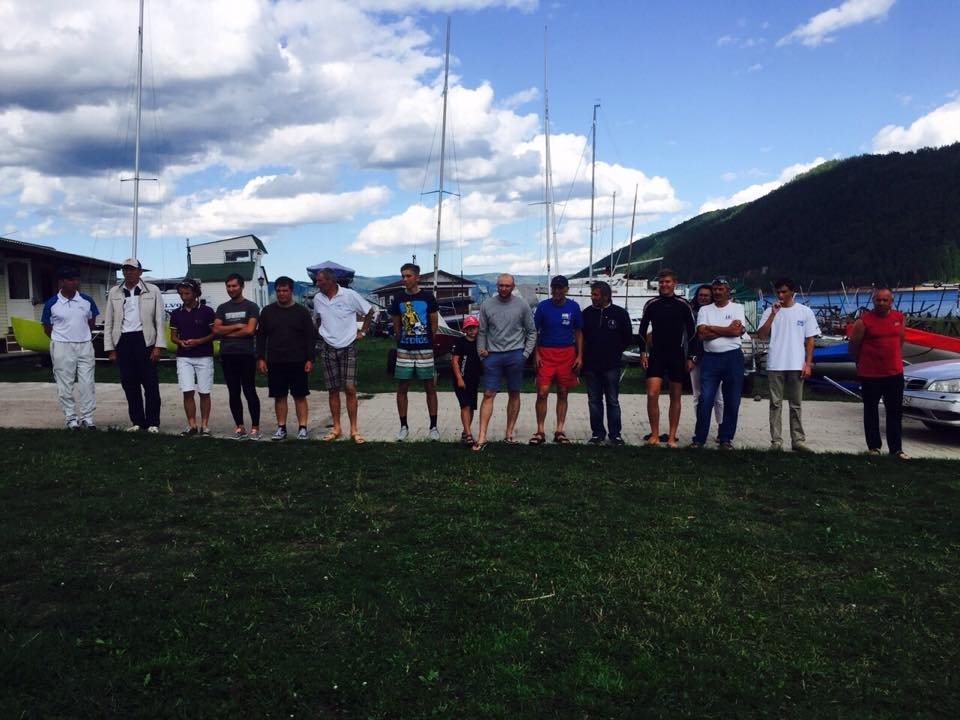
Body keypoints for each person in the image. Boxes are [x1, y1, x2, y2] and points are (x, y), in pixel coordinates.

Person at [472, 273, 537, 450]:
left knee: (514, 393)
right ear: (497, 286)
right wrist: (481, 353)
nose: (504, 288)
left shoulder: (522, 305)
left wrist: (525, 354)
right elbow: (482, 331)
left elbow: (532, 331)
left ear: (513, 287)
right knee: (488, 394)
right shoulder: (487, 304)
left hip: (516, 354)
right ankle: (482, 436)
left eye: (507, 286)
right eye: (501, 285)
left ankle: (509, 432)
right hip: (492, 356)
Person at [756, 278, 820, 451]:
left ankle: (798, 440)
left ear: (792, 292)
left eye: (784, 292)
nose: (780, 295)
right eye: (778, 292)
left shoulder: (805, 311)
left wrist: (808, 364)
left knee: (796, 404)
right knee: (775, 404)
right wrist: (773, 314)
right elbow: (761, 335)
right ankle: (776, 441)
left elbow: (810, 340)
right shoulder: (769, 311)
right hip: (775, 363)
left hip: (796, 363)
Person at [103, 257, 165, 433]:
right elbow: (109, 321)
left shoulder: (152, 290)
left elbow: (159, 320)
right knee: (129, 384)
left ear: (140, 272)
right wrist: (110, 349)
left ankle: (153, 422)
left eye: (132, 269)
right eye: (125, 269)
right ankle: (137, 421)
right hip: (123, 341)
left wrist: (158, 346)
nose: (128, 272)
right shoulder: (115, 292)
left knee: (150, 383)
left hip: (145, 340)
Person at [312, 267, 374, 443]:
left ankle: (354, 429)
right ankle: (336, 427)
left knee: (350, 388)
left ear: (330, 281)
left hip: (348, 346)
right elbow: (317, 317)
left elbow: (369, 311)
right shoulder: (317, 298)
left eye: (320, 281)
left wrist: (363, 332)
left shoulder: (349, 295)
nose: (317, 284)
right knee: (332, 389)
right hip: (327, 347)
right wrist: (322, 332)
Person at [848, 286, 908, 459]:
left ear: (891, 301)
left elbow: (900, 340)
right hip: (870, 374)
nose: (881, 303)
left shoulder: (899, 317)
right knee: (871, 410)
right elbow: (853, 346)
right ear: (873, 301)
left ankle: (896, 449)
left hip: (894, 373)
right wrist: (861, 363)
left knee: (895, 411)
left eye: (885, 300)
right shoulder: (864, 321)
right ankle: (874, 446)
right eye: (878, 300)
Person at [638, 269, 695, 448]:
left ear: (674, 283)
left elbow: (692, 333)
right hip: (656, 354)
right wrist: (642, 352)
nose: (664, 285)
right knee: (652, 394)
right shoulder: (651, 304)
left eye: (667, 282)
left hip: (677, 355)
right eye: (661, 282)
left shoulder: (683, 304)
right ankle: (654, 434)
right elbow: (642, 330)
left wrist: (691, 357)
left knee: (675, 396)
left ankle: (671, 437)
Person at [256, 276, 317, 441]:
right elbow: (261, 337)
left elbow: (310, 337)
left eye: (285, 290)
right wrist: (260, 358)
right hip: (275, 360)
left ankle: (302, 428)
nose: (282, 294)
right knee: (279, 396)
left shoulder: (302, 312)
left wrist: (310, 359)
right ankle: (281, 428)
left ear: (291, 291)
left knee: (300, 395)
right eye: (278, 291)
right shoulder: (267, 312)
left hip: (298, 360)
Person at [690, 276, 746, 449]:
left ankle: (725, 438)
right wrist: (727, 329)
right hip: (710, 358)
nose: (717, 292)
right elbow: (701, 334)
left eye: (721, 289)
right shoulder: (705, 310)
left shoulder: (737, 308)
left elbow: (737, 331)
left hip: (733, 358)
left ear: (728, 291)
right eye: (715, 289)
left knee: (732, 400)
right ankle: (699, 438)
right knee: (705, 398)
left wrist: (712, 328)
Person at [41, 266, 100, 430]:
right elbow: (47, 327)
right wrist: (61, 338)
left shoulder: (87, 301)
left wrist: (81, 335)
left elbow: (91, 322)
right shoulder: (52, 303)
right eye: (70, 279)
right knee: (65, 383)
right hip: (62, 346)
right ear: (62, 282)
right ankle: (71, 418)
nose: (75, 282)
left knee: (87, 382)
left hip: (85, 344)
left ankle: (87, 418)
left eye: (76, 279)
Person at [388, 263, 440, 441]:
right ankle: (403, 426)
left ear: (417, 277)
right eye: (403, 276)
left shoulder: (427, 297)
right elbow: (396, 323)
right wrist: (400, 339)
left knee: (430, 387)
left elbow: (434, 323)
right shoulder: (399, 298)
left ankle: (433, 426)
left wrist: (429, 341)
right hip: (405, 349)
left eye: (408, 275)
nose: (405, 279)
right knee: (402, 387)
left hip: (425, 348)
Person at [529, 275, 583, 444]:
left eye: (561, 288)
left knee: (563, 392)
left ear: (566, 289)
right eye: (555, 288)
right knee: (542, 393)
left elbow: (579, 332)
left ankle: (559, 430)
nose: (557, 291)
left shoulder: (573, 307)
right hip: (545, 352)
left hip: (567, 353)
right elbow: (534, 331)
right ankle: (540, 431)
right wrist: (536, 354)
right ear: (551, 289)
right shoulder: (543, 307)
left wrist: (579, 355)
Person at [581, 281, 633, 445]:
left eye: (595, 294)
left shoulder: (620, 313)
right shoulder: (587, 313)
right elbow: (581, 337)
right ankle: (597, 433)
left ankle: (615, 434)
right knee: (594, 401)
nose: (592, 297)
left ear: (606, 296)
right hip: (591, 365)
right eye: (592, 294)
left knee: (612, 400)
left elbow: (627, 337)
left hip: (612, 365)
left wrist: (615, 351)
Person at [214, 273, 262, 440]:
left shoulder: (251, 306)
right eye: (228, 286)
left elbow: (250, 330)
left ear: (242, 286)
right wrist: (238, 325)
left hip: (246, 354)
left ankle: (255, 428)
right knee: (233, 392)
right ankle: (239, 427)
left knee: (249, 390)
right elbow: (216, 330)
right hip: (228, 355)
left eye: (234, 286)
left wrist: (227, 333)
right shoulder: (222, 308)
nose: (231, 289)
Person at [170, 278, 217, 437]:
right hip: (184, 357)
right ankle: (191, 425)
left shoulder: (207, 311)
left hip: (204, 356)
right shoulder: (176, 313)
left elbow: (214, 334)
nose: (184, 297)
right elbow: (173, 336)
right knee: (187, 391)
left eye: (187, 293)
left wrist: (198, 341)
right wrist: (181, 342)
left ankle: (205, 426)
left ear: (196, 293)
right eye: (181, 294)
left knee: (204, 392)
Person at [687, 283, 723, 431]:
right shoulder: (690, 313)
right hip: (694, 356)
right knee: (697, 394)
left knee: (718, 395)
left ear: (712, 297)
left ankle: (721, 425)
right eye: (700, 295)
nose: (703, 298)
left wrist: (711, 332)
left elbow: (721, 332)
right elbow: (691, 337)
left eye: (706, 296)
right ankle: (700, 426)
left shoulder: (716, 312)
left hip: (713, 355)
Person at [451, 314, 482, 445]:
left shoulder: (480, 342)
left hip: (474, 379)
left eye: (474, 328)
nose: (472, 331)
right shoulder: (460, 342)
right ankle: (468, 434)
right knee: (465, 405)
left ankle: (465, 431)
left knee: (472, 407)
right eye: (469, 328)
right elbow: (455, 361)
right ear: (465, 329)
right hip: (461, 379)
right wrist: (459, 378)